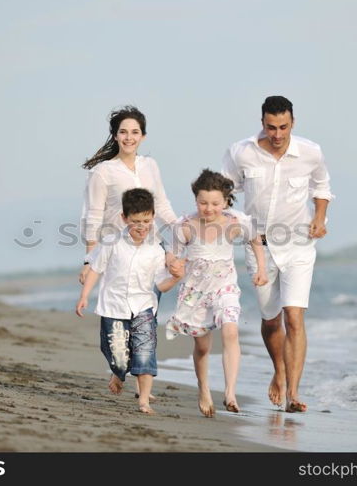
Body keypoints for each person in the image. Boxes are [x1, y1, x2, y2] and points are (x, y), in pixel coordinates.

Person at [222, 96, 335, 413]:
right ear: (262, 123)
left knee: (294, 318)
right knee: (271, 322)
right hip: (258, 247)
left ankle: (293, 393)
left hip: (298, 245)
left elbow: (322, 187)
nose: (277, 134)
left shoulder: (310, 152)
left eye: (283, 127)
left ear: (293, 123)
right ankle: (279, 371)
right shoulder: (241, 152)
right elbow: (224, 192)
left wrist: (319, 218)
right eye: (271, 127)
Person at [166, 169, 267, 417]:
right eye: (203, 203)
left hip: (225, 287)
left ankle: (230, 392)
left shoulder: (235, 222)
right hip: (195, 293)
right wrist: (173, 265)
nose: (208, 209)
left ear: (225, 201)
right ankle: (204, 389)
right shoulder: (185, 226)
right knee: (202, 347)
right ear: (195, 200)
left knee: (230, 331)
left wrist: (261, 269)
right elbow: (173, 256)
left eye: (214, 203)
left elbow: (255, 239)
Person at [76, 188, 182, 414]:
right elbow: (96, 269)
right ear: (124, 218)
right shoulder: (111, 243)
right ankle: (118, 372)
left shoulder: (156, 250)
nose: (142, 226)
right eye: (136, 221)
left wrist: (175, 278)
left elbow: (161, 284)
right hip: (113, 307)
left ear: (153, 216)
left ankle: (144, 400)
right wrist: (85, 295)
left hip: (144, 307)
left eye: (146, 220)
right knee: (119, 357)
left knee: (145, 352)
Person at [80, 105, 180, 284]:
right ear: (115, 136)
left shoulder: (150, 165)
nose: (129, 138)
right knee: (120, 308)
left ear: (143, 136)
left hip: (152, 248)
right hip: (118, 252)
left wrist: (182, 229)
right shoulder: (102, 172)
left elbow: (162, 205)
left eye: (135, 132)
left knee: (149, 308)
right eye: (123, 132)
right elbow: (93, 216)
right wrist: (89, 260)